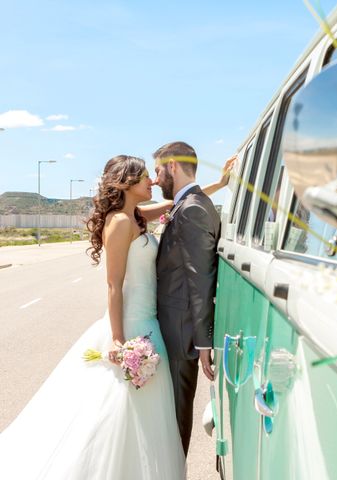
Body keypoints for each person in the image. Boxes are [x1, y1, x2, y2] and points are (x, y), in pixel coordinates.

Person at [0, 153, 234, 479]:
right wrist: (117, 338)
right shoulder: (121, 223)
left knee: (143, 418)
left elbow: (177, 203)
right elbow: (113, 286)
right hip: (134, 326)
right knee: (120, 414)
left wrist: (220, 183)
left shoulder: (134, 216)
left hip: (150, 324)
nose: (151, 182)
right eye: (144, 178)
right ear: (127, 183)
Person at [151, 141, 223, 455]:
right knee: (167, 421)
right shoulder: (188, 203)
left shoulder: (192, 207)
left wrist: (203, 342)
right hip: (175, 331)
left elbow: (200, 277)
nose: (154, 180)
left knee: (176, 421)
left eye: (157, 170)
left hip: (181, 336)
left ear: (173, 167)